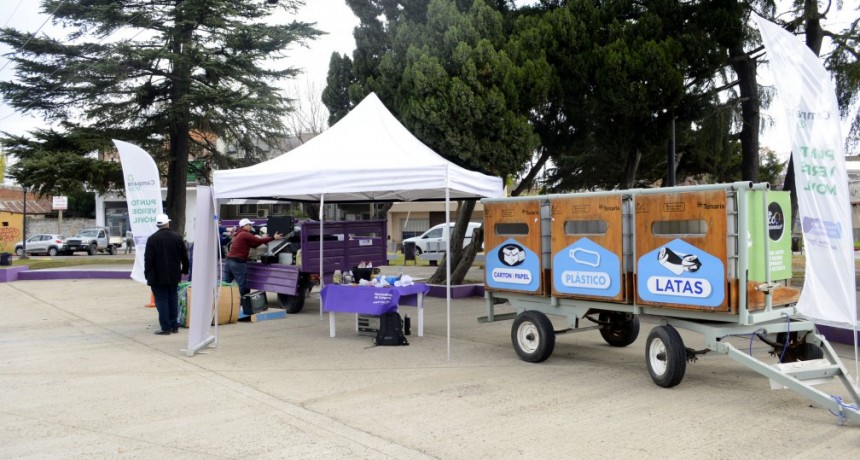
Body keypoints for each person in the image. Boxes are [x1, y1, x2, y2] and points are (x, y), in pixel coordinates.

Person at [144, 214, 189, 335]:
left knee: (161, 300)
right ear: (168, 223)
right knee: (173, 299)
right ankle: (174, 325)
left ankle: (165, 327)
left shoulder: (152, 239)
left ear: (157, 225)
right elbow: (184, 256)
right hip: (174, 274)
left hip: (157, 275)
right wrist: (185, 269)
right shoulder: (177, 237)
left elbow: (148, 259)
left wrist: (147, 273)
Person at [222, 218, 283, 296]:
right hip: (238, 262)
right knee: (241, 284)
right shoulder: (245, 234)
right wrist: (273, 238)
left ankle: (222, 300)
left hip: (229, 261)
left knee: (225, 283)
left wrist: (265, 239)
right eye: (249, 225)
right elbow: (257, 240)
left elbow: (253, 244)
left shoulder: (238, 234)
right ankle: (238, 302)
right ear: (244, 226)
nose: (251, 226)